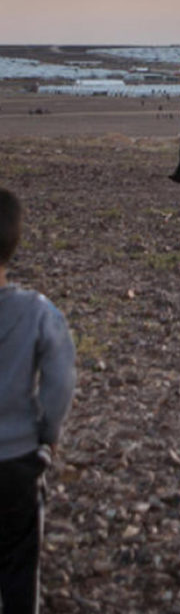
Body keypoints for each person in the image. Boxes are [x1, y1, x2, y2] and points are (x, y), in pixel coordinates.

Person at [0, 189, 76, 614]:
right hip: (16, 459)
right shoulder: (35, 312)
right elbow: (60, 380)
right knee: (18, 565)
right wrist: (47, 434)